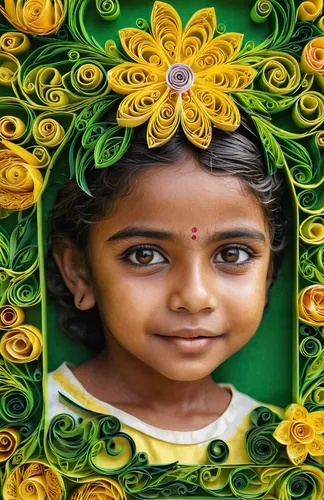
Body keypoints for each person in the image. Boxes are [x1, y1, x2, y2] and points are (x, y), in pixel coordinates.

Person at [46, 114, 287, 465]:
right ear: (80, 272)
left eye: (232, 254)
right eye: (145, 256)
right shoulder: (29, 426)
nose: (193, 297)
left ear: (267, 276)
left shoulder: (288, 446)